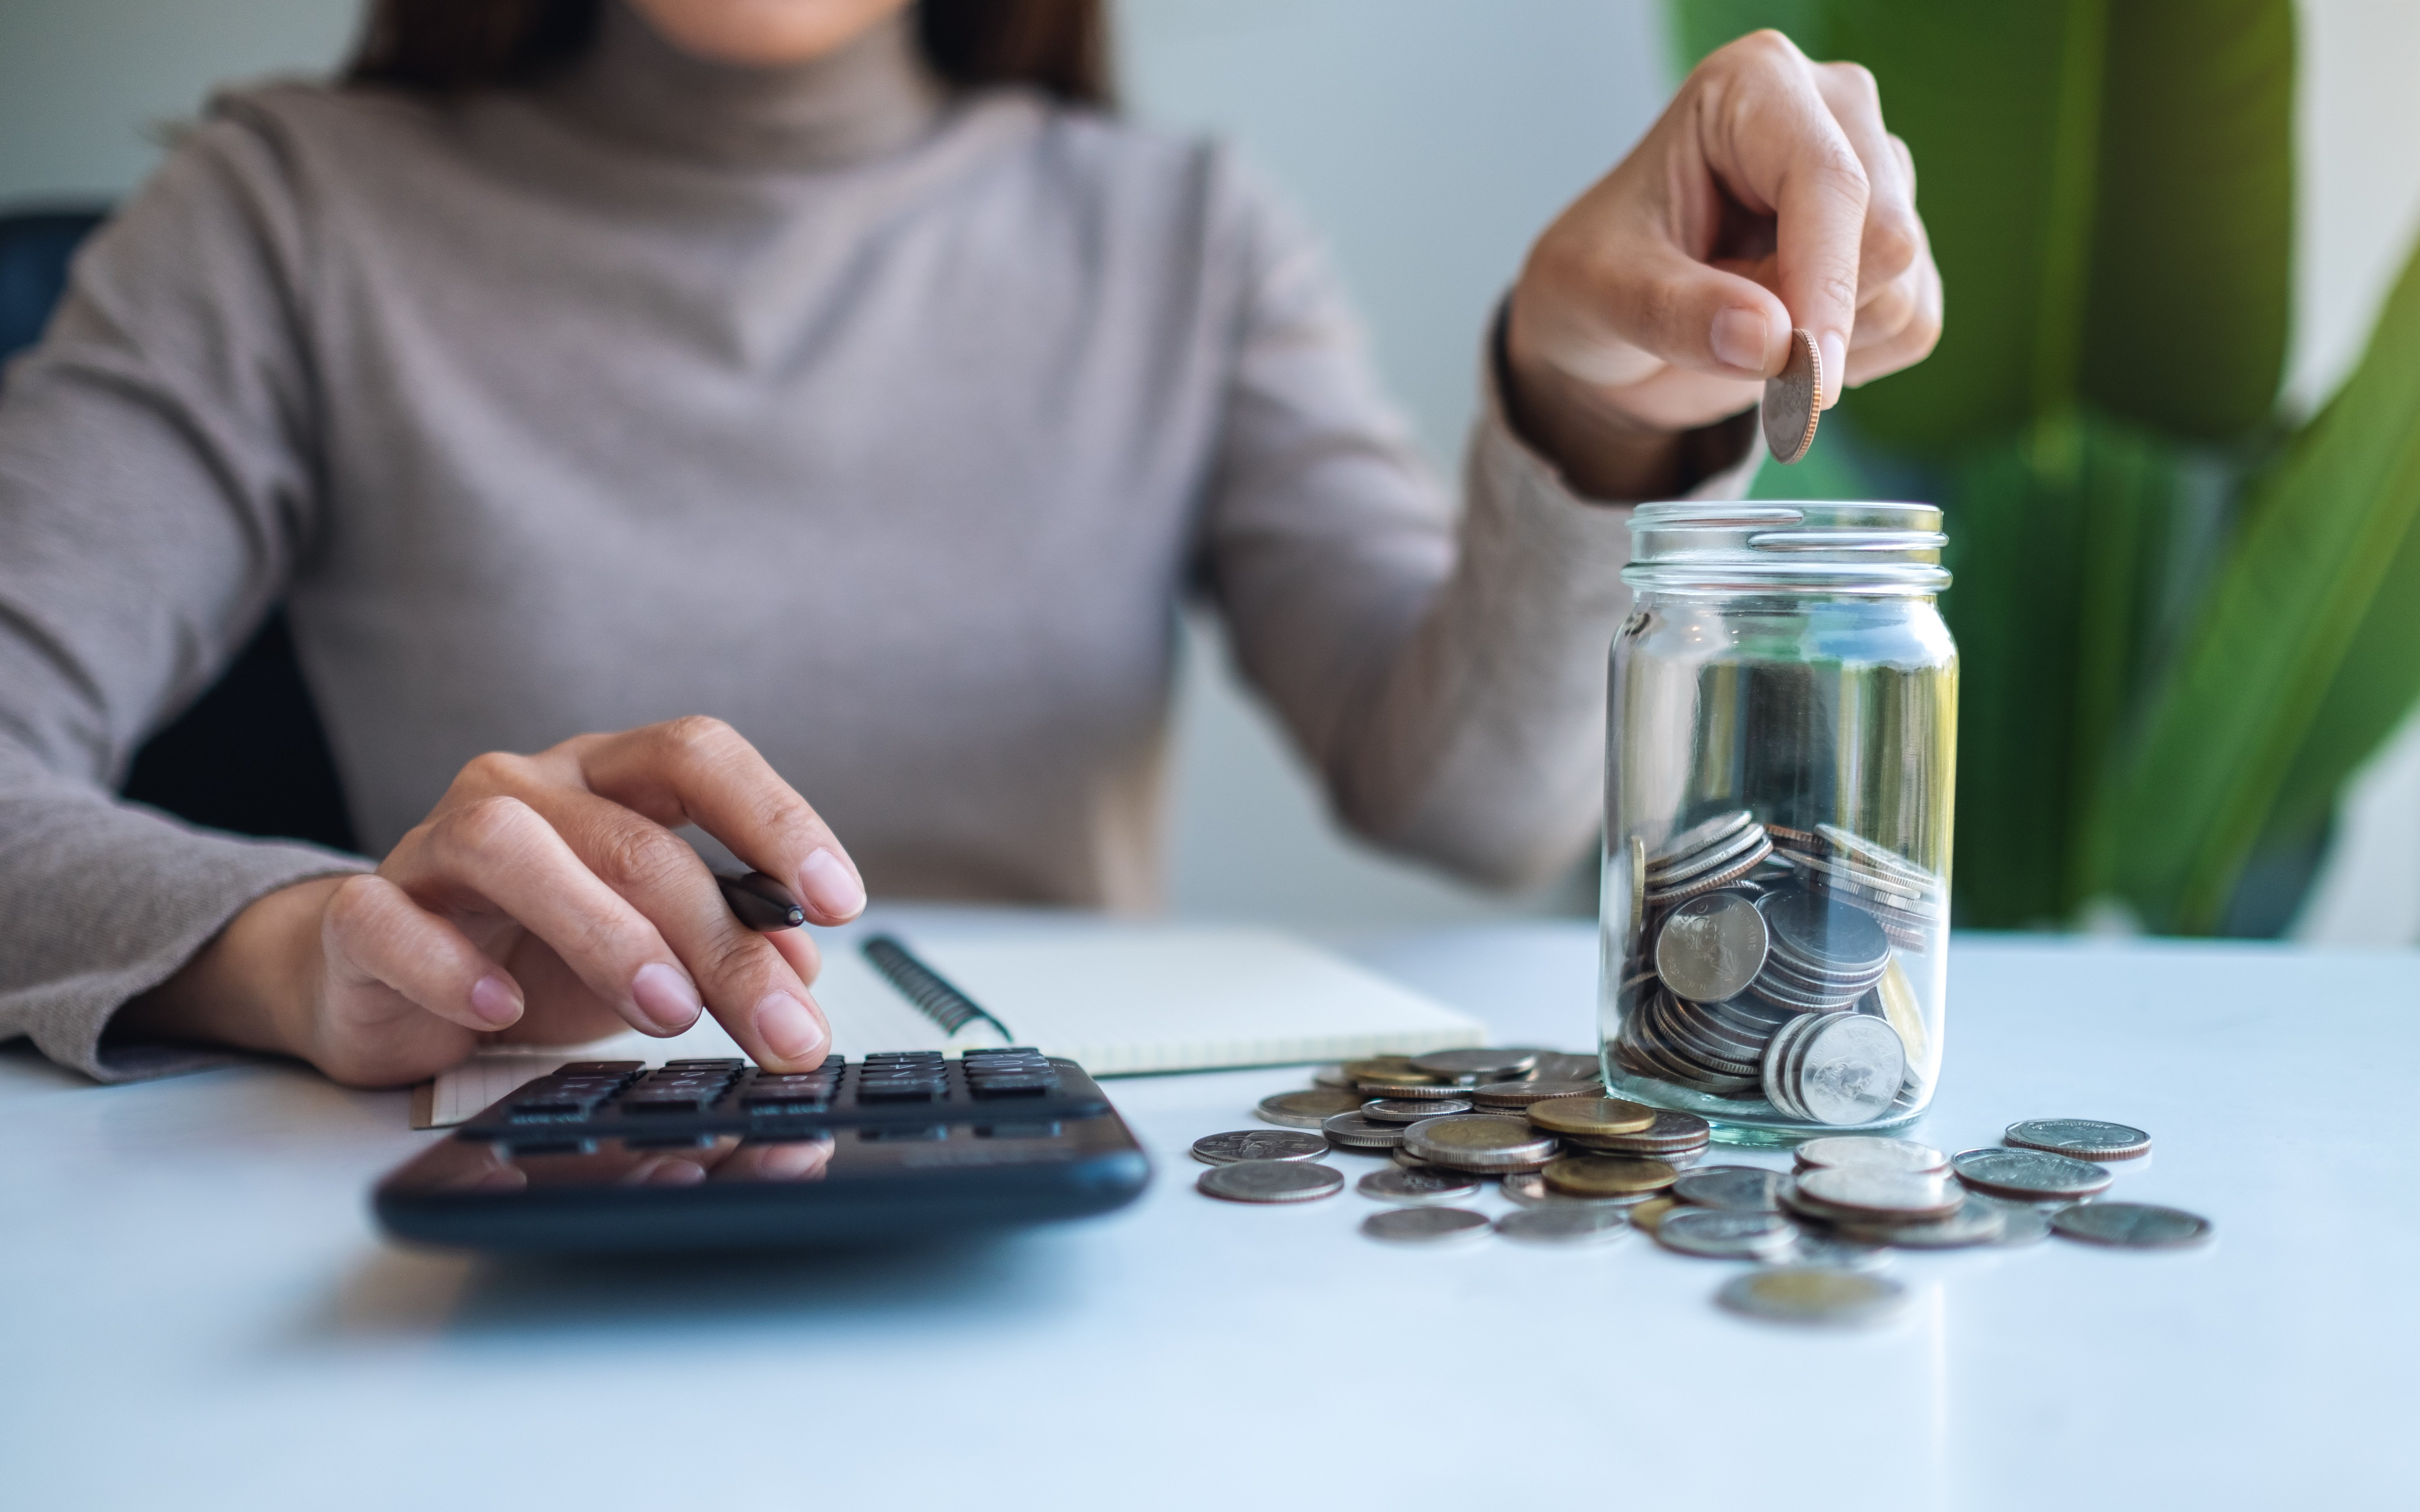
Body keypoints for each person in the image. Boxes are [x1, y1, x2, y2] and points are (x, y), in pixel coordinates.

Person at [0, 0, 1940, 1089]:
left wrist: (1591, 392)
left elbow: (1475, 798)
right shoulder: (273, 217)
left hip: (1093, 1242)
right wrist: (312, 951)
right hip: (507, 1222)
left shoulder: (1180, 236)